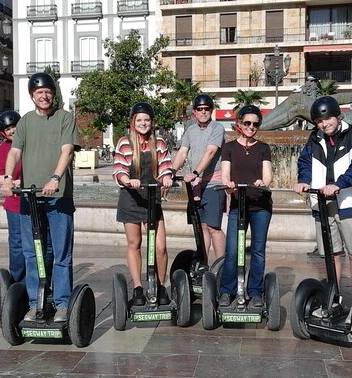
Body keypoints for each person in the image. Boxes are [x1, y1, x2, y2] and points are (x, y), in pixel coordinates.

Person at [0, 72, 78, 323]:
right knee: (32, 252)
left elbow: (67, 151)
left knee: (61, 253)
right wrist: (8, 177)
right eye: (38, 92)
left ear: (53, 94)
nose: (44, 96)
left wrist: (55, 178)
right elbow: (14, 151)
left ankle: (63, 303)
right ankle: (36, 302)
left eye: (47, 92)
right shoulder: (24, 122)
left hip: (59, 197)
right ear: (32, 96)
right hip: (30, 199)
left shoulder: (65, 118)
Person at [294, 96, 352, 325]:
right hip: (322, 201)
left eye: (328, 118)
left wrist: (339, 184)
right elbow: (305, 162)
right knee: (332, 253)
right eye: (319, 120)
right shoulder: (314, 138)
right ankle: (334, 299)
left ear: (338, 116)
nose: (324, 124)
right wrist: (304, 180)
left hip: (349, 202)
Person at [113, 102, 174, 306]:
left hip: (152, 199)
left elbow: (166, 166)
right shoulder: (124, 143)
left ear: (152, 122)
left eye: (146, 120)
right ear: (133, 122)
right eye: (139, 120)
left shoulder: (159, 143)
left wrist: (167, 177)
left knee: (160, 247)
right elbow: (119, 169)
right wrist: (126, 180)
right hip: (131, 198)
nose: (143, 123)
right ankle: (138, 288)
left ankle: (160, 285)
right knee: (134, 243)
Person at [218, 105, 273, 308]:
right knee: (232, 250)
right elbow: (225, 174)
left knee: (258, 251)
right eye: (247, 123)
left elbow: (268, 173)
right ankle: (227, 290)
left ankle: (256, 292)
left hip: (261, 206)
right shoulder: (229, 147)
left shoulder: (263, 148)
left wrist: (263, 182)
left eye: (255, 124)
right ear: (239, 123)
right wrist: (228, 186)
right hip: (238, 206)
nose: (251, 127)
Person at [171, 94, 226, 263]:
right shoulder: (191, 130)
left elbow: (211, 152)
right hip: (195, 186)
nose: (203, 112)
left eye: (206, 109)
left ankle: (221, 266)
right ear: (194, 112)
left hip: (213, 184)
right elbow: (182, 152)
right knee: (201, 226)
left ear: (211, 110)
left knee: (214, 227)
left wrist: (195, 173)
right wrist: (171, 170)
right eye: (200, 109)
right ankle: (203, 264)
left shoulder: (218, 128)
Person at [0, 110, 27, 284]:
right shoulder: (4, 148)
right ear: (3, 132)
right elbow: (0, 175)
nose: (12, 131)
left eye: (14, 126)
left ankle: (35, 278)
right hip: (14, 202)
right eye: (8, 129)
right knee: (16, 243)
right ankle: (17, 280)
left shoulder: (29, 143)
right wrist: (14, 183)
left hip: (31, 200)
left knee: (35, 242)